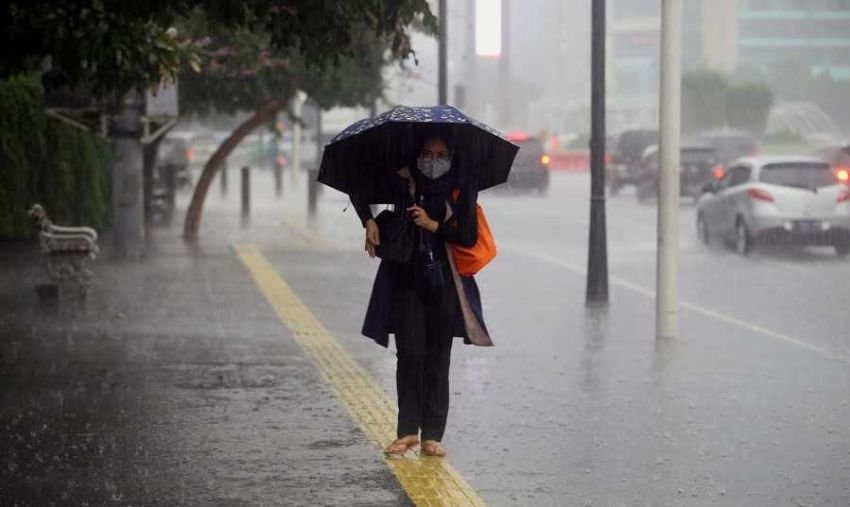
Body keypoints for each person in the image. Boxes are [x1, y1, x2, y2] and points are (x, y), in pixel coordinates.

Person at [351, 129, 492, 458]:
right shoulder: (403, 180)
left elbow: (468, 236)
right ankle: (406, 432)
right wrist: (368, 221)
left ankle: (432, 436)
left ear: (451, 157)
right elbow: (359, 188)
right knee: (410, 353)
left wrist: (433, 225)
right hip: (405, 280)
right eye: (427, 154)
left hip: (445, 284)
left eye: (441, 155)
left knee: (438, 358)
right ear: (417, 154)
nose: (433, 161)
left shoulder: (462, 185)